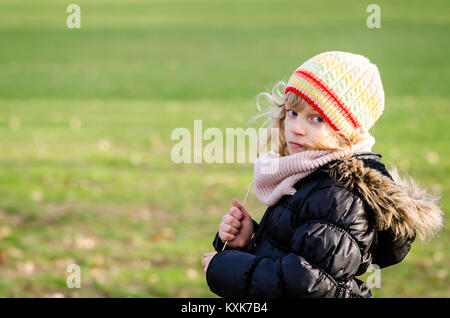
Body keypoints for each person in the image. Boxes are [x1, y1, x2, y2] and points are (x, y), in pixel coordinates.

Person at [201, 51, 445, 297]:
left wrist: (223, 267)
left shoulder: (339, 196)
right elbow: (291, 259)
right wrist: (248, 242)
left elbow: (304, 284)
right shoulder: (308, 174)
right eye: (293, 113)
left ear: (347, 132)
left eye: (316, 119)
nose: (296, 128)